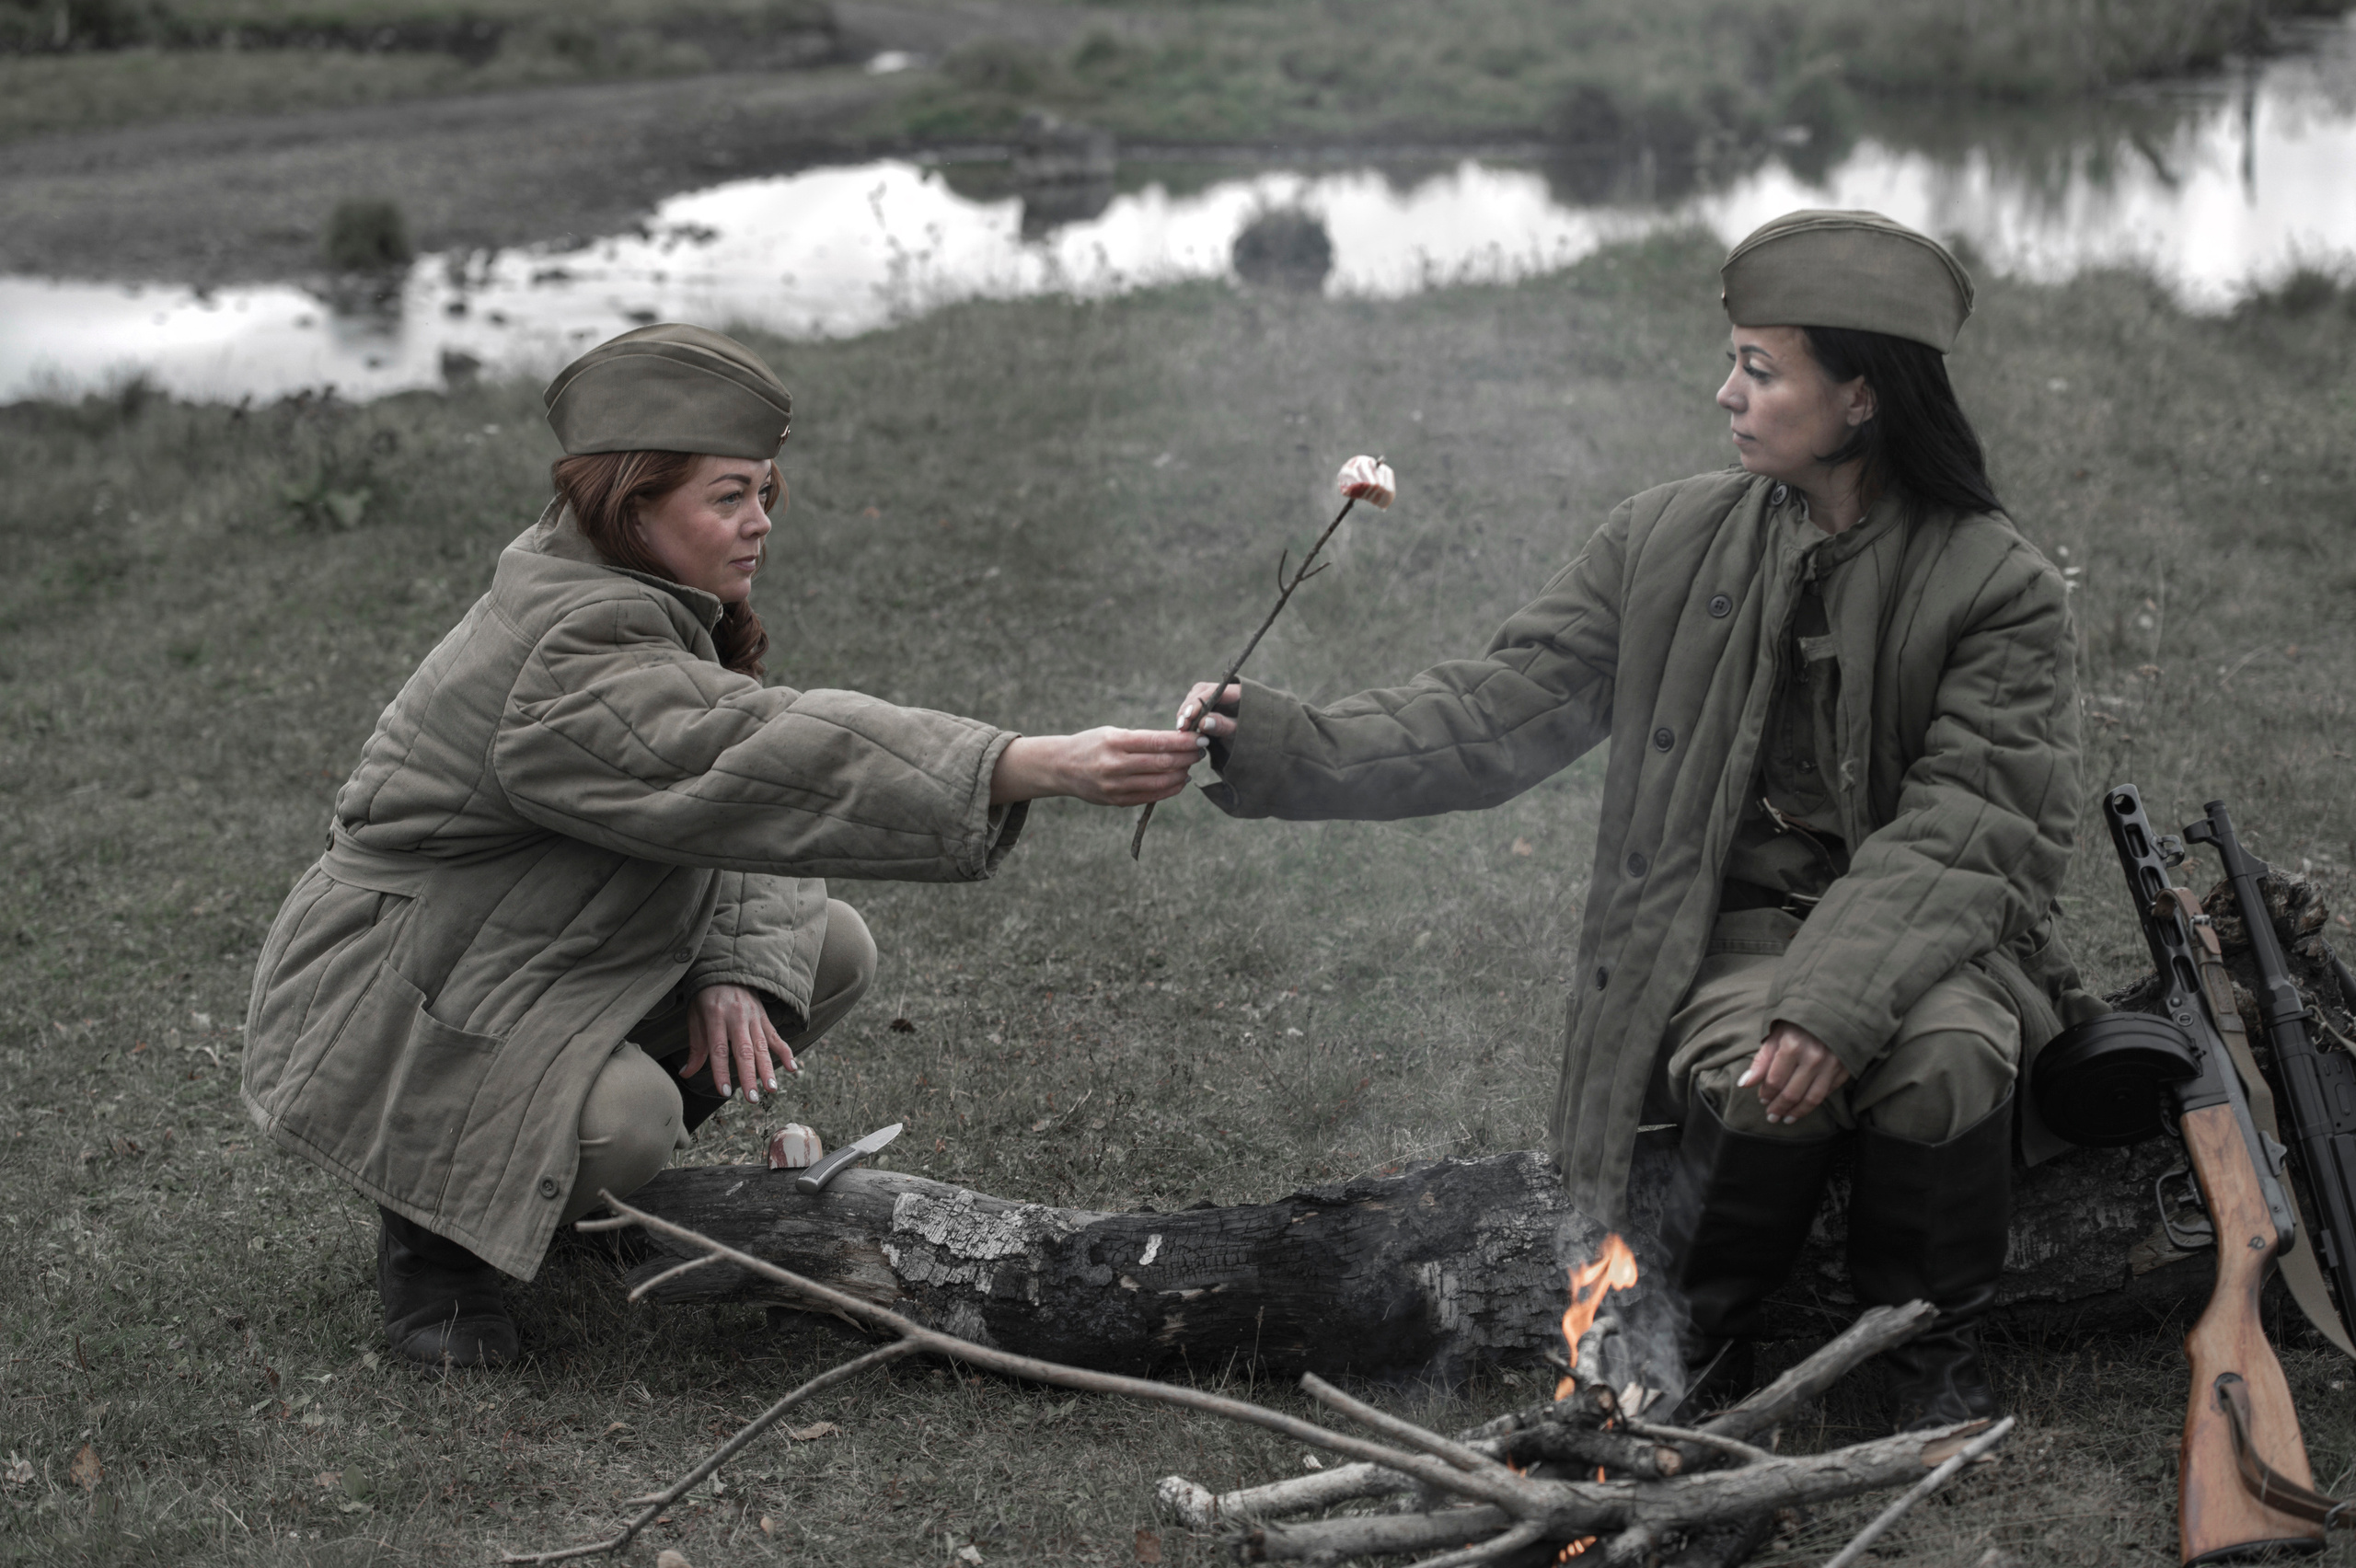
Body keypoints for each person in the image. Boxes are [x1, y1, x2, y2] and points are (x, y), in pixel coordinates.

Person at [1176, 212, 2098, 1430]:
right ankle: (1692, 1333)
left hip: (1930, 943)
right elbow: (1500, 707)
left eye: (1761, 372)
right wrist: (1285, 742)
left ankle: (1921, 1366)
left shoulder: (1997, 584)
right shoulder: (1664, 539)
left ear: (1864, 397)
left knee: (1944, 1064)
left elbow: (1975, 820)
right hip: (1726, 944)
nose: (1726, 394)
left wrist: (1834, 997)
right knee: (1762, 1076)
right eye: (1735, 362)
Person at [243, 324, 1202, 1369]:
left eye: (764, 495)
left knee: (823, 952)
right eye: (728, 497)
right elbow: (768, 755)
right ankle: (435, 1246)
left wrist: (733, 969)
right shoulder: (572, 647)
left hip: (532, 943)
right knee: (632, 1119)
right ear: (632, 503)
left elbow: (726, 798)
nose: (759, 525)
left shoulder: (633, 595)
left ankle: (542, 1192)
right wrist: (1028, 762)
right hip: (410, 986)